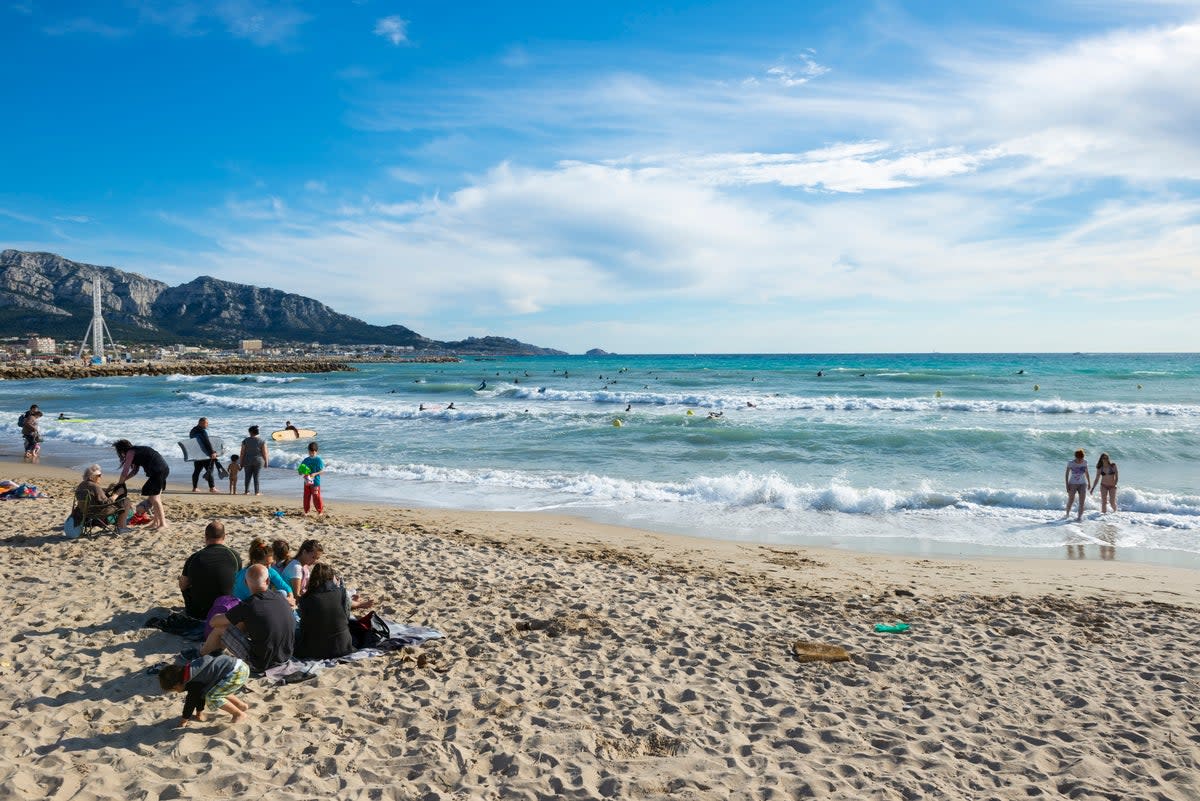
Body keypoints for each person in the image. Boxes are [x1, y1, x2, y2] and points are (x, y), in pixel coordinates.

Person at [202, 564, 294, 673]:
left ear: (246, 583)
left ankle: (201, 655)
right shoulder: (280, 597)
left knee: (220, 629)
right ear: (268, 581)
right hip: (286, 656)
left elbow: (213, 623)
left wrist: (218, 615)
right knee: (243, 623)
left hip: (261, 664)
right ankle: (214, 651)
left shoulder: (248, 605)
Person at [158, 653, 250, 727]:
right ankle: (241, 706)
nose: (177, 692)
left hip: (235, 673)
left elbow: (191, 702)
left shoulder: (193, 681)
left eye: (175, 690)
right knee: (216, 690)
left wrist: (184, 721)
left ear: (177, 685)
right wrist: (199, 713)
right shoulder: (190, 670)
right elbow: (200, 695)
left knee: (212, 697)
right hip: (241, 666)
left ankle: (238, 714)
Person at [179, 521, 243, 620]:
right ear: (224, 536)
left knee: (184, 582)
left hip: (199, 613)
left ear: (206, 536)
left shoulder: (194, 557)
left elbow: (183, 585)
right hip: (226, 610)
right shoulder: (234, 556)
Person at [295, 563, 355, 659]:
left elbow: (305, 625)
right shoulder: (340, 591)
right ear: (332, 577)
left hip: (317, 650)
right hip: (344, 646)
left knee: (295, 630)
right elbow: (346, 616)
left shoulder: (306, 598)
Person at [113, 439, 170, 530]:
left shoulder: (130, 453)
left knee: (155, 499)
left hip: (158, 471)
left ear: (122, 450)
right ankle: (156, 522)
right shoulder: (135, 452)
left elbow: (125, 470)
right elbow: (134, 471)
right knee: (153, 498)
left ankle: (162, 523)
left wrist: (120, 483)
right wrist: (123, 481)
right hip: (161, 469)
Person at [231, 538, 295, 604]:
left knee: (283, 592)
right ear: (254, 562)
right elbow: (255, 600)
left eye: (271, 563)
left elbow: (286, 587)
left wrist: (290, 598)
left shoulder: (269, 570)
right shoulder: (246, 576)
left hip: (258, 601)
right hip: (243, 605)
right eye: (265, 564)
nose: (269, 567)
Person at [73, 463, 132, 531]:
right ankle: (122, 527)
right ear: (92, 476)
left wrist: (108, 490)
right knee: (126, 501)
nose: (101, 477)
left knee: (122, 501)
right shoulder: (94, 486)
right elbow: (106, 502)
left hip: (85, 512)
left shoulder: (81, 485)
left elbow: (94, 496)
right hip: (98, 512)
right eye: (99, 475)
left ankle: (121, 525)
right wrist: (117, 494)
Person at [189, 417, 219, 494]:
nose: (207, 425)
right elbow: (206, 442)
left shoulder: (193, 431)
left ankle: (195, 488)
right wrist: (212, 452)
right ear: (201, 423)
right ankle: (212, 488)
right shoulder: (202, 431)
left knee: (197, 471)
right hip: (205, 454)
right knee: (210, 470)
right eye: (206, 423)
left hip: (197, 454)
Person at [239, 425, 268, 496]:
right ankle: (257, 492)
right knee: (256, 476)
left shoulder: (245, 441)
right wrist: (266, 462)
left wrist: (241, 462)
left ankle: (246, 491)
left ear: (251, 432)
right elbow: (265, 453)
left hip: (247, 460)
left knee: (247, 476)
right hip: (258, 460)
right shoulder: (262, 441)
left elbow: (242, 453)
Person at [1065, 449, 1091, 522]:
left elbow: (1087, 473)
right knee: (1071, 500)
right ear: (1075, 457)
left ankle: (1079, 518)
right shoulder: (1070, 463)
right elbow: (1066, 475)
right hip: (1072, 483)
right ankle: (1067, 514)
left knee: (1082, 502)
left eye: (1081, 458)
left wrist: (1089, 483)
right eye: (1079, 458)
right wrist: (1067, 485)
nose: (1080, 460)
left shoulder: (1085, 462)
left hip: (1083, 484)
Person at [299, 442, 324, 515]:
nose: (312, 454)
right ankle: (306, 511)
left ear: (316, 451)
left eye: (313, 452)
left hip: (316, 481)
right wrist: (301, 472)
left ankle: (320, 511)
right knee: (306, 496)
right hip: (307, 481)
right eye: (310, 452)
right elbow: (300, 470)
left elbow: (322, 471)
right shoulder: (306, 460)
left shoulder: (318, 460)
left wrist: (315, 474)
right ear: (308, 451)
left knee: (316, 496)